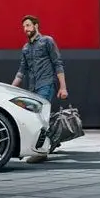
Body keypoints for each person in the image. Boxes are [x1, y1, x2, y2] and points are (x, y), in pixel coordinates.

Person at [10, 15, 67, 163]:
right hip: (33, 88)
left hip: (46, 84)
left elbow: (57, 63)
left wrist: (63, 87)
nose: (25, 29)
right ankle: (47, 143)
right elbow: (21, 71)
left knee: (39, 117)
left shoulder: (47, 41)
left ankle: (41, 152)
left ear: (36, 25)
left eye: (28, 25)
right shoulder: (26, 48)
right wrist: (10, 89)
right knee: (37, 117)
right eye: (24, 27)